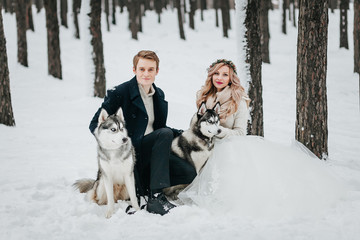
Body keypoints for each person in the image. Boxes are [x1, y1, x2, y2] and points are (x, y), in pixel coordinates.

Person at [178, 59, 346, 219]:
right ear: (211, 76)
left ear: (231, 79)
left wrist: (218, 131)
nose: (220, 78)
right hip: (206, 146)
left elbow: (240, 133)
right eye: (216, 74)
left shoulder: (238, 100)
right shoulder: (205, 97)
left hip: (229, 146)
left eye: (225, 75)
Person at [89, 50, 196, 215]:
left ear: (157, 71)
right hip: (130, 154)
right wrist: (115, 146)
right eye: (142, 69)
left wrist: (186, 133)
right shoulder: (120, 92)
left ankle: (148, 186)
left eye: (151, 69)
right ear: (134, 70)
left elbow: (159, 127)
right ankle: (155, 197)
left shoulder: (158, 94)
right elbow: (94, 125)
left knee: (188, 173)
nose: (146, 74)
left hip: (153, 154)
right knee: (165, 134)